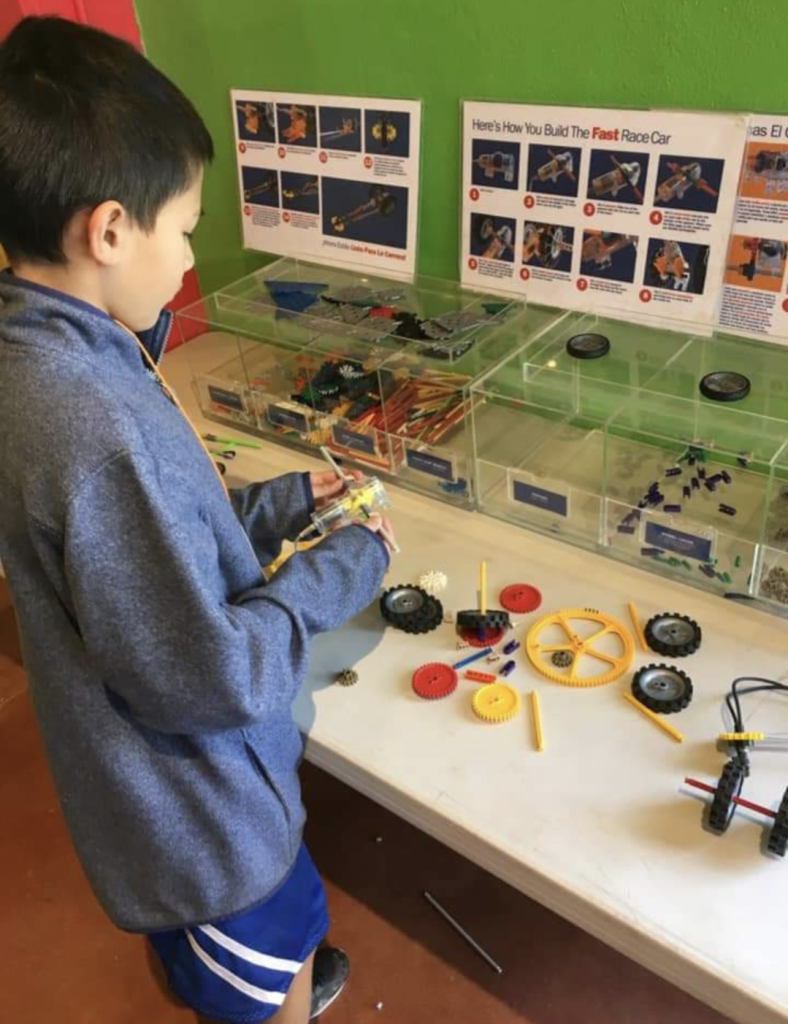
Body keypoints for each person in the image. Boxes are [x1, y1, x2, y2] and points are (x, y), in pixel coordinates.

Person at [0, 16, 396, 1024]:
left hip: (154, 810)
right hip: (206, 827)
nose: (187, 257)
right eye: (184, 227)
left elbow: (160, 538)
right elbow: (211, 677)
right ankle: (274, 993)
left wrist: (281, 505)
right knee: (272, 946)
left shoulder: (48, 350)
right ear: (108, 231)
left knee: (215, 950)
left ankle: (238, 980)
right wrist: (344, 567)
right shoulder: (95, 425)